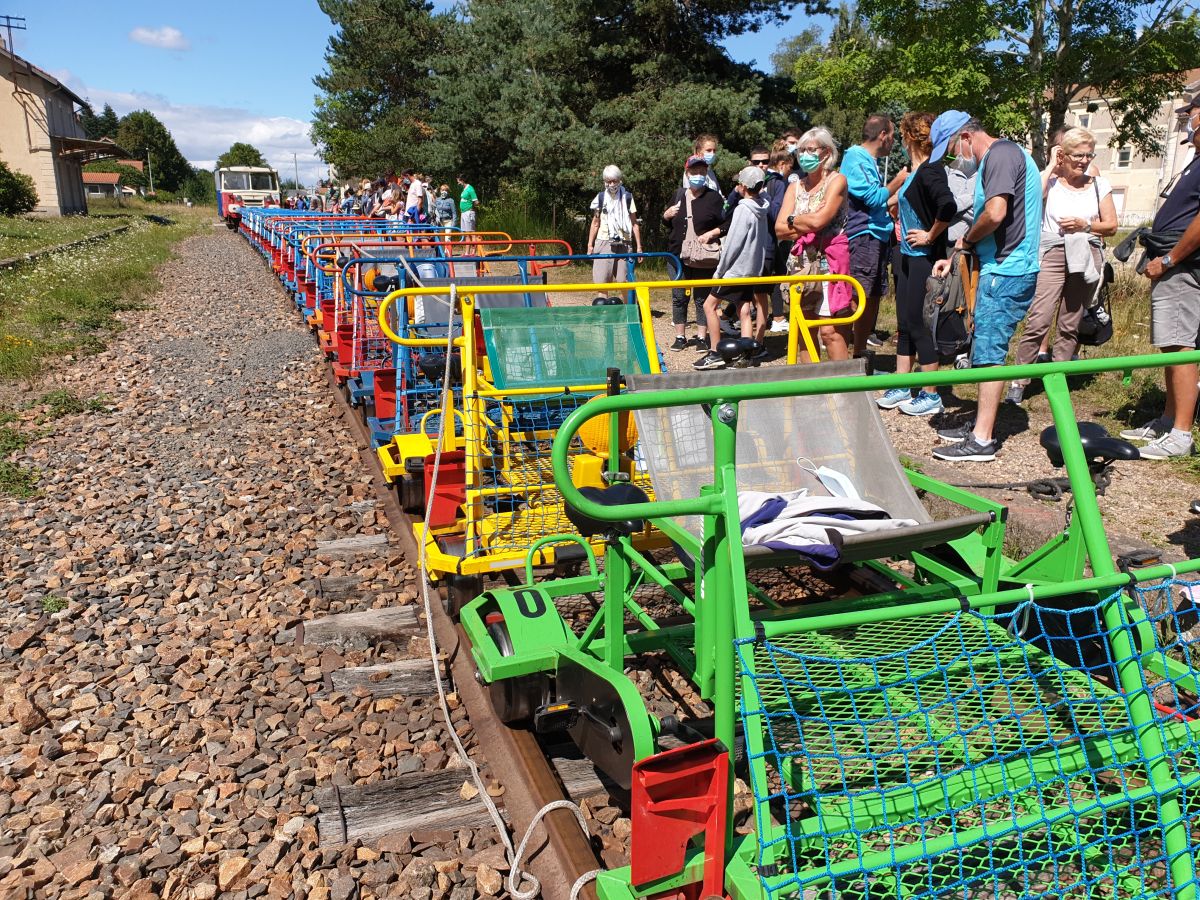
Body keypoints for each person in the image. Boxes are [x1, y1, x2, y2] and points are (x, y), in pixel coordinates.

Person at [931, 115, 1043, 462]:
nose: (953, 159)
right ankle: (981, 423)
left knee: (991, 354)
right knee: (984, 347)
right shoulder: (1002, 157)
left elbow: (995, 213)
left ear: (965, 136)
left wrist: (964, 239)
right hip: (1001, 267)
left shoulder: (1000, 155)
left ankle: (982, 440)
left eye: (952, 150)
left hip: (1007, 271)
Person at [1005, 127, 1118, 406]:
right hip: (1052, 252)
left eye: (1088, 155)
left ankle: (1057, 378)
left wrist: (1086, 225)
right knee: (1038, 319)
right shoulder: (1051, 182)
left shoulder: (1099, 185)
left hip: (1085, 253)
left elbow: (1112, 226)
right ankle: (1019, 381)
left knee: (1070, 322)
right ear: (1063, 155)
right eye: (1077, 155)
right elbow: (1032, 197)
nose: (1083, 161)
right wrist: (1051, 167)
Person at [1119, 99, 1200, 459]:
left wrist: (1168, 259)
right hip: (1174, 264)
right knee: (1171, 343)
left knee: (1180, 344)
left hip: (1181, 266)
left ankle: (1181, 433)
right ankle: (1169, 420)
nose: (1187, 121)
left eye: (1192, 114)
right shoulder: (1193, 162)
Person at [876, 112, 956, 417]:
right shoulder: (918, 170)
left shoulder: (931, 170)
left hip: (924, 257)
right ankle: (903, 381)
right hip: (907, 255)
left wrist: (930, 234)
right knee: (906, 322)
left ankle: (930, 391)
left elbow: (947, 205)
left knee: (921, 324)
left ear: (909, 137)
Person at [774, 127, 853, 362]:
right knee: (804, 329)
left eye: (811, 150)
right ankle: (813, 391)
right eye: (801, 150)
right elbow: (779, 228)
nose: (805, 155)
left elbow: (820, 221)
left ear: (826, 152)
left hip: (830, 264)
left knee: (830, 331)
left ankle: (843, 390)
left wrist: (793, 221)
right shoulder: (794, 186)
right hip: (800, 265)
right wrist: (800, 223)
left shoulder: (837, 181)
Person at [694, 166, 773, 370]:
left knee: (709, 306)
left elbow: (733, 244)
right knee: (744, 309)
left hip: (734, 270)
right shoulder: (763, 207)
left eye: (739, 182)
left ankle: (715, 352)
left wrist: (719, 271)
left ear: (744, 186)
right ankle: (745, 354)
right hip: (751, 270)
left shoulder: (743, 209)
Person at [843, 114, 906, 355]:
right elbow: (872, 197)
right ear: (883, 135)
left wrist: (898, 195)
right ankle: (850, 356)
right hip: (864, 237)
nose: (893, 142)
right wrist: (899, 180)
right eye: (892, 136)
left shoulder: (868, 160)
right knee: (861, 295)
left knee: (872, 297)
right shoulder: (855, 158)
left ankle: (860, 353)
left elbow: (878, 201)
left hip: (876, 237)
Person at [664, 155, 727, 350]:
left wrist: (712, 233)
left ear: (706, 173)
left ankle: (701, 337)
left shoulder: (714, 198)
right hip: (677, 256)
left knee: (702, 298)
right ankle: (680, 337)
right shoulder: (678, 194)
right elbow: (667, 222)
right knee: (679, 296)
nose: (698, 175)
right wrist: (665, 216)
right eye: (694, 172)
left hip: (703, 256)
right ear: (687, 173)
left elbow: (726, 223)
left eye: (702, 172)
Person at [586, 165, 643, 297]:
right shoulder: (600, 198)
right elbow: (595, 223)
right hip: (604, 241)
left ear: (619, 180)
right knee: (602, 282)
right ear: (604, 182)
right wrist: (590, 244)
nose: (611, 184)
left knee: (624, 281)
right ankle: (604, 313)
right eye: (608, 181)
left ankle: (628, 312)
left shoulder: (627, 197)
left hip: (624, 242)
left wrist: (639, 247)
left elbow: (634, 223)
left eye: (614, 181)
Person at [763, 148, 794, 333]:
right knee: (775, 276)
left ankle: (778, 316)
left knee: (777, 272)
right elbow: (777, 212)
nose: (790, 172)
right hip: (773, 237)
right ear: (782, 165)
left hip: (761, 236)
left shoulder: (763, 180)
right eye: (789, 168)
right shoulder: (779, 183)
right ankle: (778, 317)